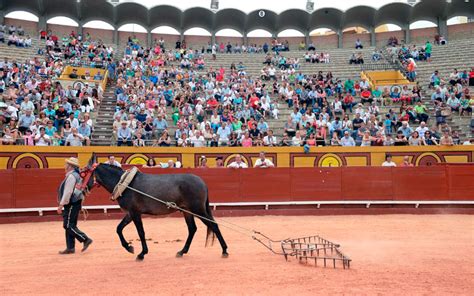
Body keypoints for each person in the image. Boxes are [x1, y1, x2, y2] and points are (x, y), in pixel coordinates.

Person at [57, 157, 93, 254]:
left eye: (66, 164)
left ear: (70, 166)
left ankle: (85, 239)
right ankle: (70, 248)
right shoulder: (76, 175)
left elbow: (68, 192)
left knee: (68, 225)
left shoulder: (72, 176)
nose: (65, 166)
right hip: (75, 202)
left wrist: (61, 205)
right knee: (71, 225)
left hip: (71, 203)